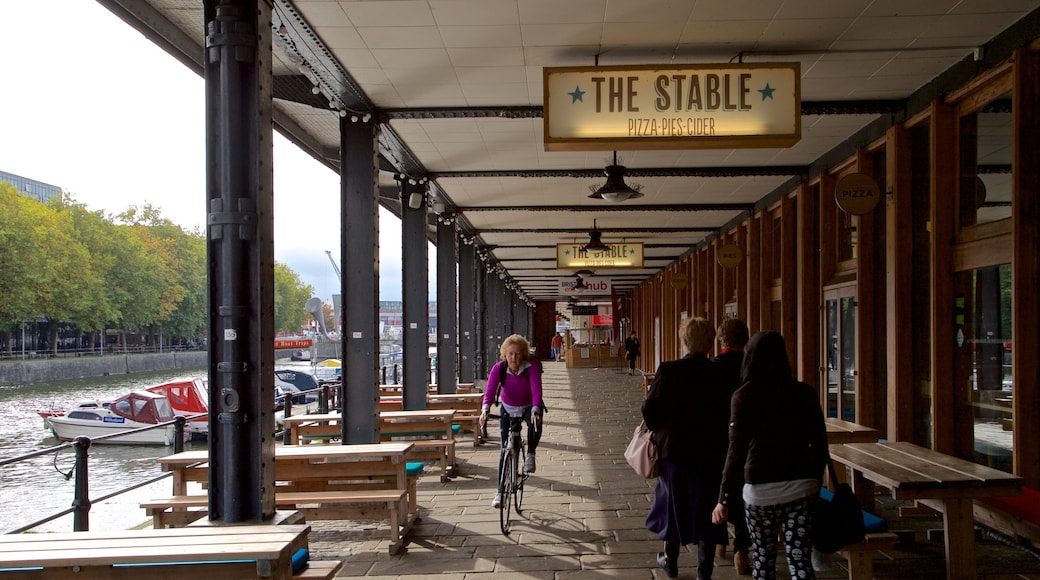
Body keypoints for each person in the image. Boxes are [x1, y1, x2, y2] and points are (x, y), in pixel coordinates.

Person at [712, 331, 828, 580]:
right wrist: (815, 482)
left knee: (763, 559)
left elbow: (736, 453)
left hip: (760, 491)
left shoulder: (743, 397)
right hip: (802, 488)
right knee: (800, 559)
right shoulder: (805, 393)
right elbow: (820, 445)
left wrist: (724, 497)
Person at [642, 318, 731, 580]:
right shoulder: (719, 373)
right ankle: (705, 571)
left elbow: (650, 408)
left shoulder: (669, 370)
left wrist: (661, 430)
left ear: (684, 341)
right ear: (710, 341)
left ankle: (671, 561)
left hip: (675, 451)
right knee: (707, 507)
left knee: (672, 504)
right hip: (711, 452)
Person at [479, 334, 544, 509]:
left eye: (517, 354)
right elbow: (490, 391)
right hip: (507, 408)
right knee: (504, 449)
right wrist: (485, 409)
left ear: (523, 354)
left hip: (528, 406)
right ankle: (500, 492)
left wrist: (536, 409)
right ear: (505, 355)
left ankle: (530, 454)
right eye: (510, 354)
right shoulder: (499, 368)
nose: (514, 358)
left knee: (535, 424)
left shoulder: (531, 368)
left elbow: (537, 390)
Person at [713, 318, 752, 575]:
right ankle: (742, 549)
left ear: (722, 340)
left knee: (719, 486)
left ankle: (719, 542)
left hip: (718, 438)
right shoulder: (753, 366)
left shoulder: (713, 368)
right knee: (744, 489)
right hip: (748, 438)